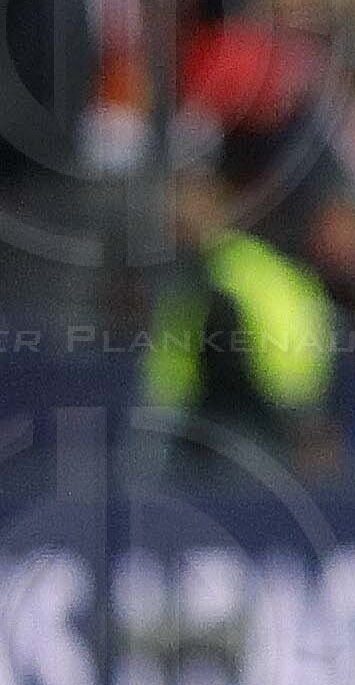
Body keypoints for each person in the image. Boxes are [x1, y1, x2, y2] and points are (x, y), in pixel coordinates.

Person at [139, 141, 337, 474]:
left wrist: (296, 420)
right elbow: (167, 371)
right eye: (175, 197)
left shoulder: (260, 272)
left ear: (218, 200)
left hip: (261, 432)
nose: (178, 209)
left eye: (192, 197)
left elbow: (294, 367)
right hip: (190, 435)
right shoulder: (180, 279)